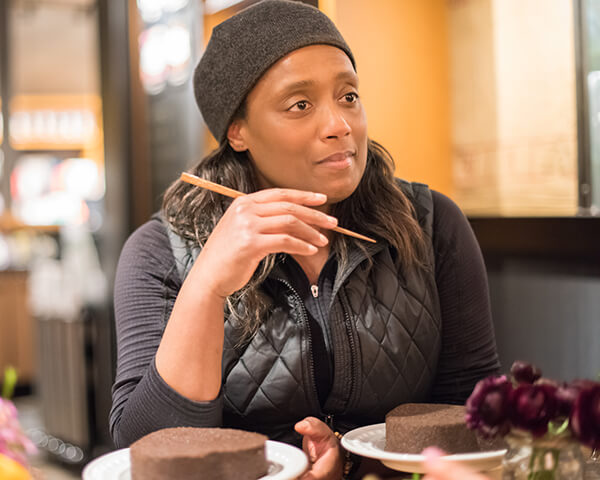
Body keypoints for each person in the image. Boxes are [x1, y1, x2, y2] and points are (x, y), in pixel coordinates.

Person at [109, 1, 500, 478]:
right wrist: (206, 286)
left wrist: (354, 464)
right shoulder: (158, 252)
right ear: (238, 131)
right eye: (300, 105)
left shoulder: (430, 224)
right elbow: (144, 451)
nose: (339, 125)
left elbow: (472, 411)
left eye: (349, 96)